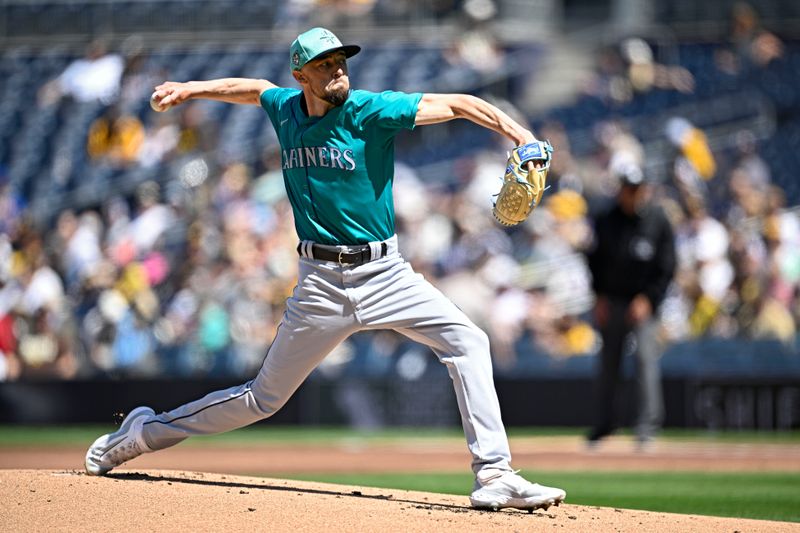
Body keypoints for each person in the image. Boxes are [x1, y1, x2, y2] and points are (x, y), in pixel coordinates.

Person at [84, 27, 566, 511]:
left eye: (340, 60)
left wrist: (521, 135)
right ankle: (144, 433)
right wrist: (191, 90)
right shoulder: (286, 109)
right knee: (261, 401)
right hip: (319, 284)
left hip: (385, 275)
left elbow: (460, 103)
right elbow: (252, 88)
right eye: (324, 63)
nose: (337, 69)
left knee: (469, 340)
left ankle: (495, 475)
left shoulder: (370, 111)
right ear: (301, 75)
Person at [586, 166, 676, 450]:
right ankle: (604, 426)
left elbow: (667, 265)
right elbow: (594, 261)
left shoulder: (658, 220)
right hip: (611, 300)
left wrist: (648, 298)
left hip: (644, 303)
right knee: (608, 363)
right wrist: (598, 296)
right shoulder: (606, 219)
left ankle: (646, 427)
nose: (634, 195)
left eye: (638, 189)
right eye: (629, 189)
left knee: (645, 361)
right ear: (621, 190)